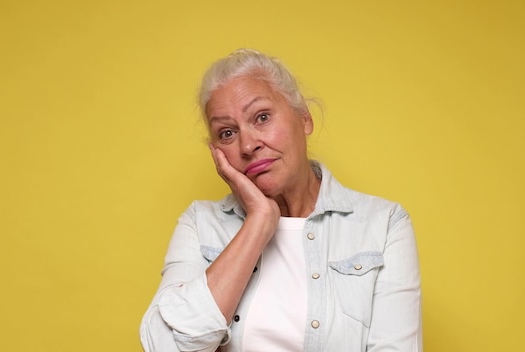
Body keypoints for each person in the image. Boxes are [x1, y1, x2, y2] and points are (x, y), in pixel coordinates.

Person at [140, 49, 422, 352]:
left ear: (304, 119)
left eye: (262, 117)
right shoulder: (200, 224)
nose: (248, 145)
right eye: (227, 133)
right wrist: (259, 220)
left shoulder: (384, 224)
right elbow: (164, 346)